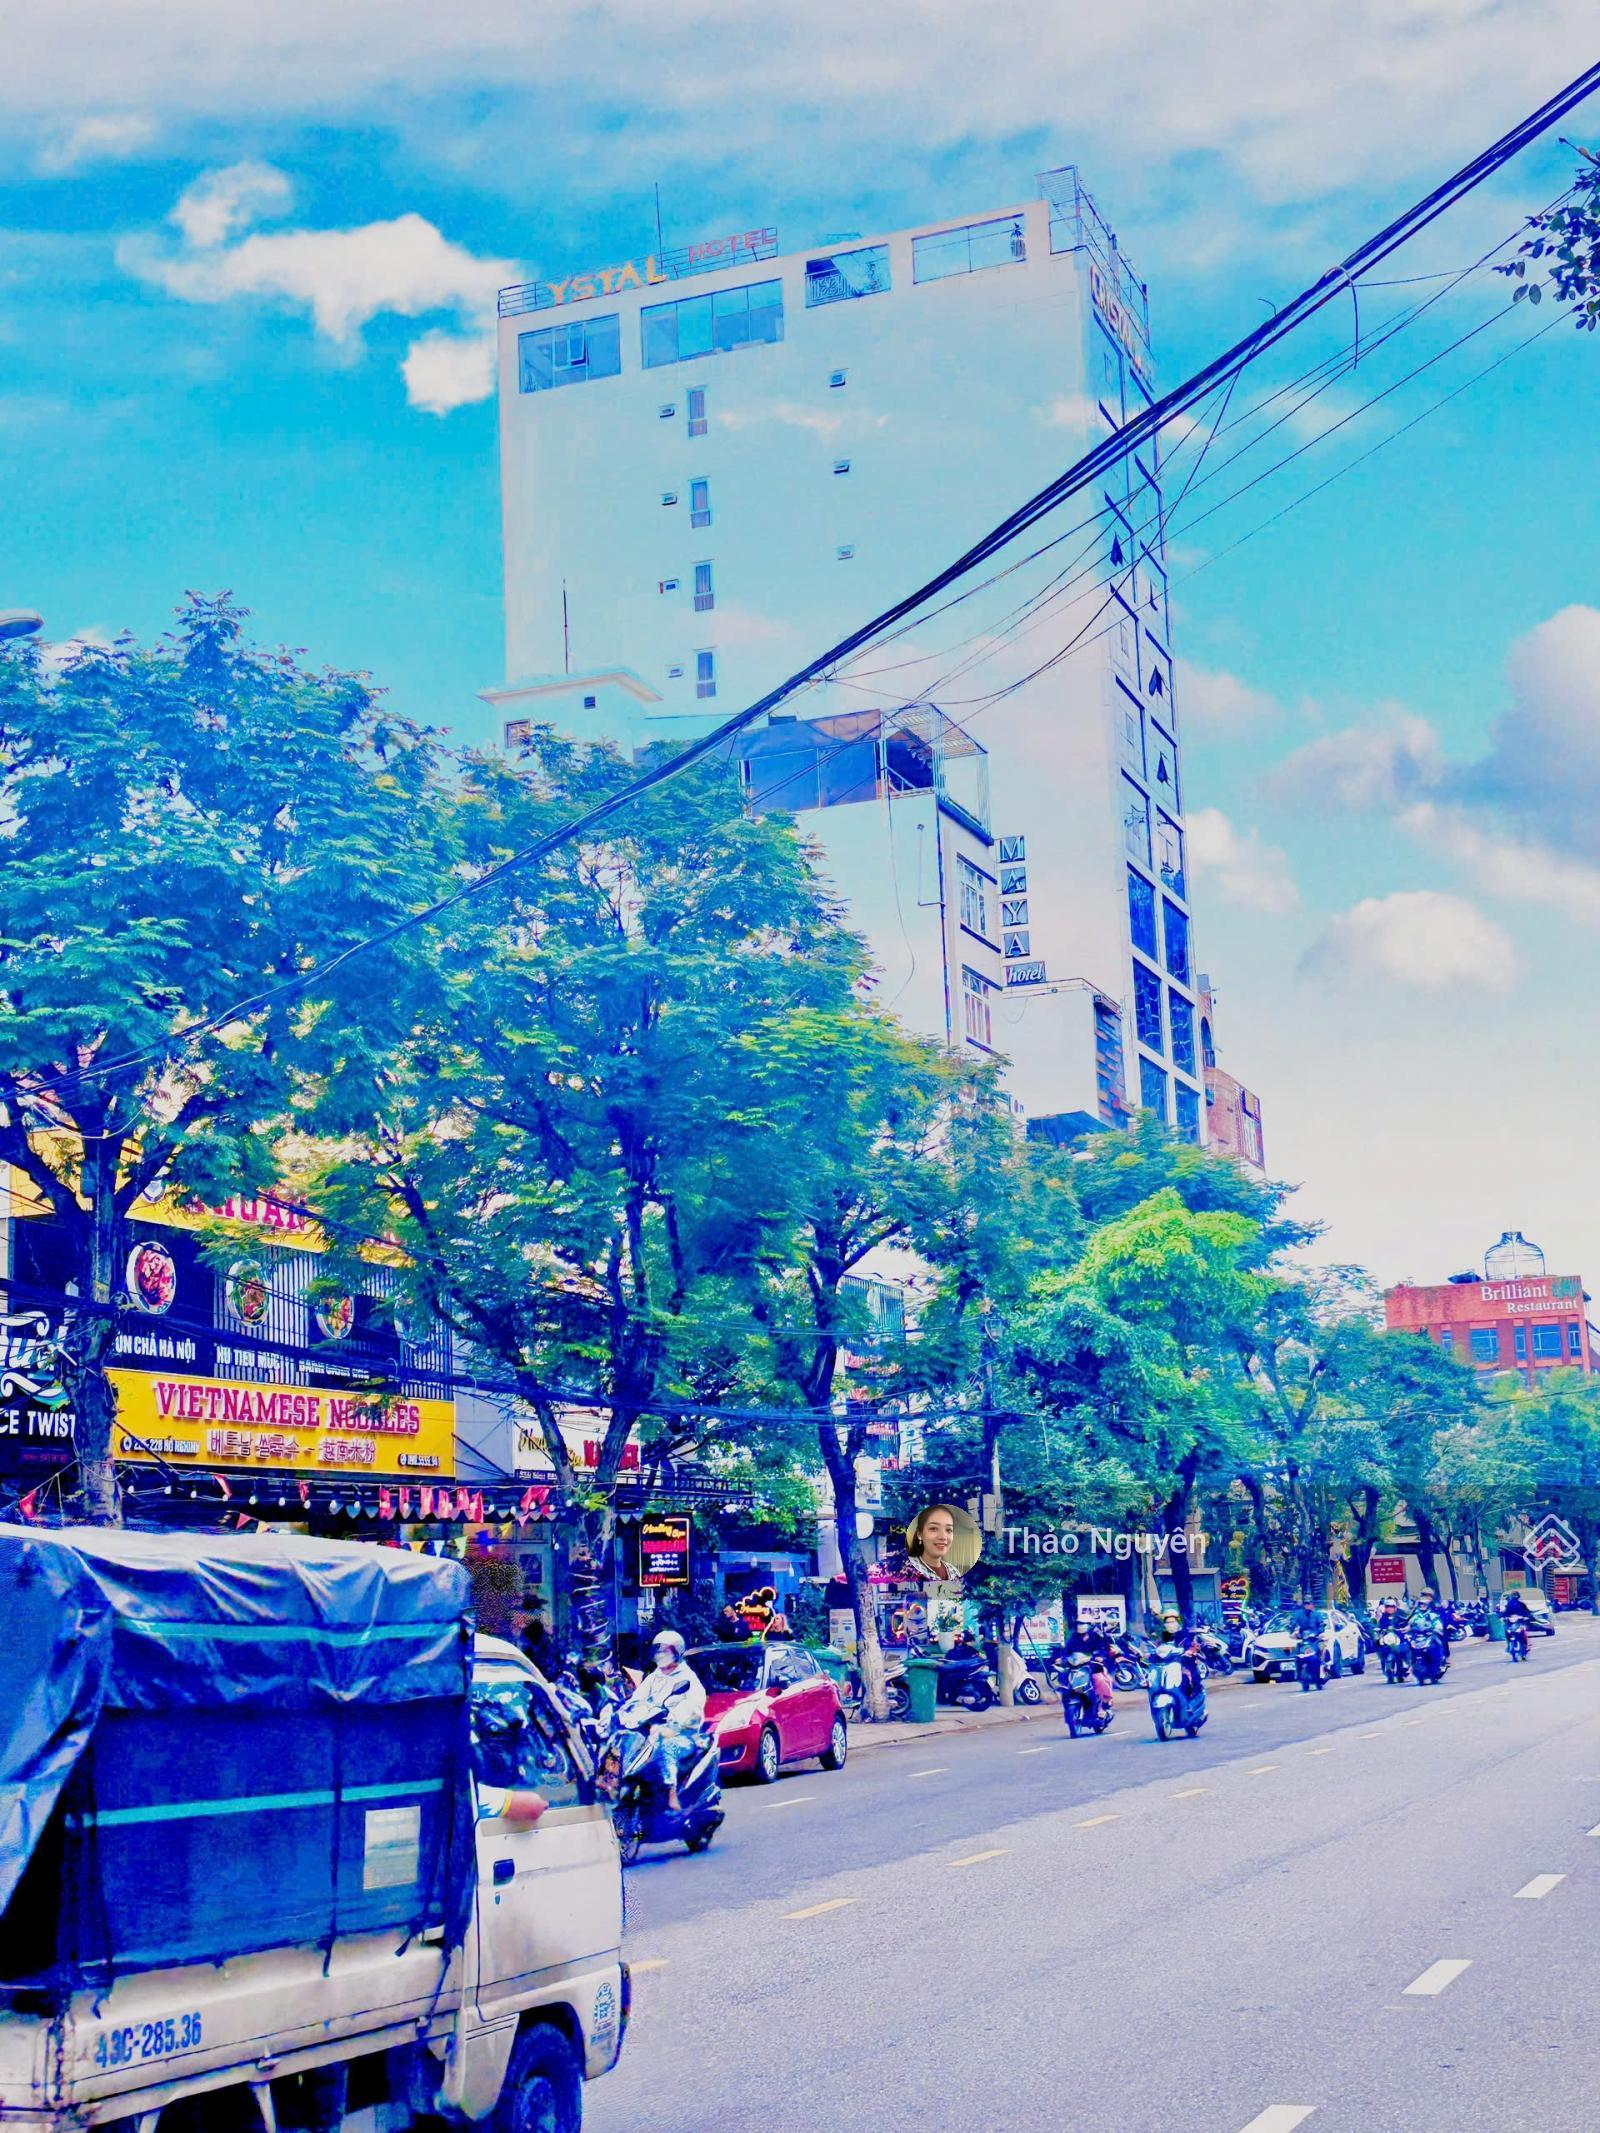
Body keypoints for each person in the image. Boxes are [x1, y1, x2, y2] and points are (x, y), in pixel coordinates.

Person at [627, 1630, 708, 1813]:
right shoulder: (654, 1677)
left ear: (677, 1652)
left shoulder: (687, 1678)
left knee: (666, 1747)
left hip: (684, 1736)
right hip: (653, 1732)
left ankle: (671, 1794)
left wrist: (673, 1724)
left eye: (665, 1650)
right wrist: (626, 1714)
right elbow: (636, 1700)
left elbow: (693, 1710)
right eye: (658, 1650)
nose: (660, 1654)